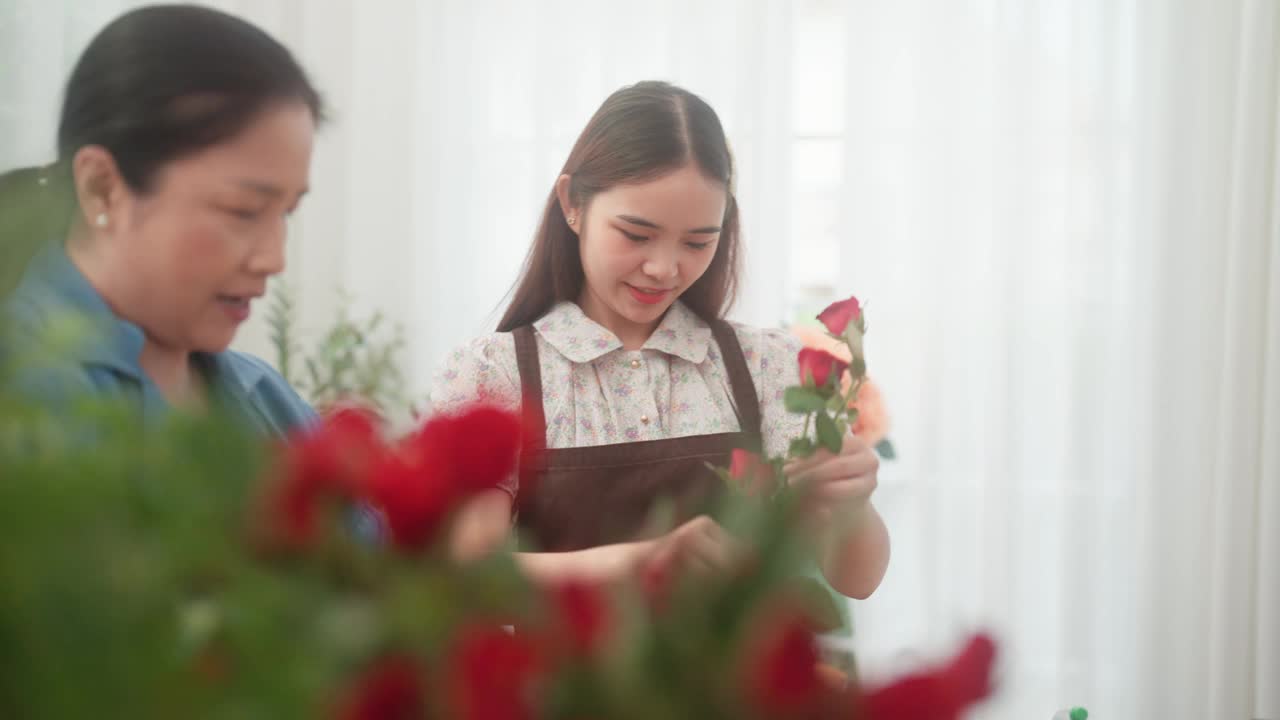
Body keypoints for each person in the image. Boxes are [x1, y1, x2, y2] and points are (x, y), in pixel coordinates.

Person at [430, 82, 890, 614]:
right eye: (636, 234)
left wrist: (854, 502)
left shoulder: (768, 368)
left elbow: (857, 579)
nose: (665, 268)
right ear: (572, 204)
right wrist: (634, 565)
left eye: (698, 242)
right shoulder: (495, 376)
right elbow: (465, 571)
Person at [1, 5, 322, 437]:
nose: (274, 259)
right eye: (243, 211)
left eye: (285, 213)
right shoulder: (25, 398)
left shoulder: (270, 402)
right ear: (102, 188)